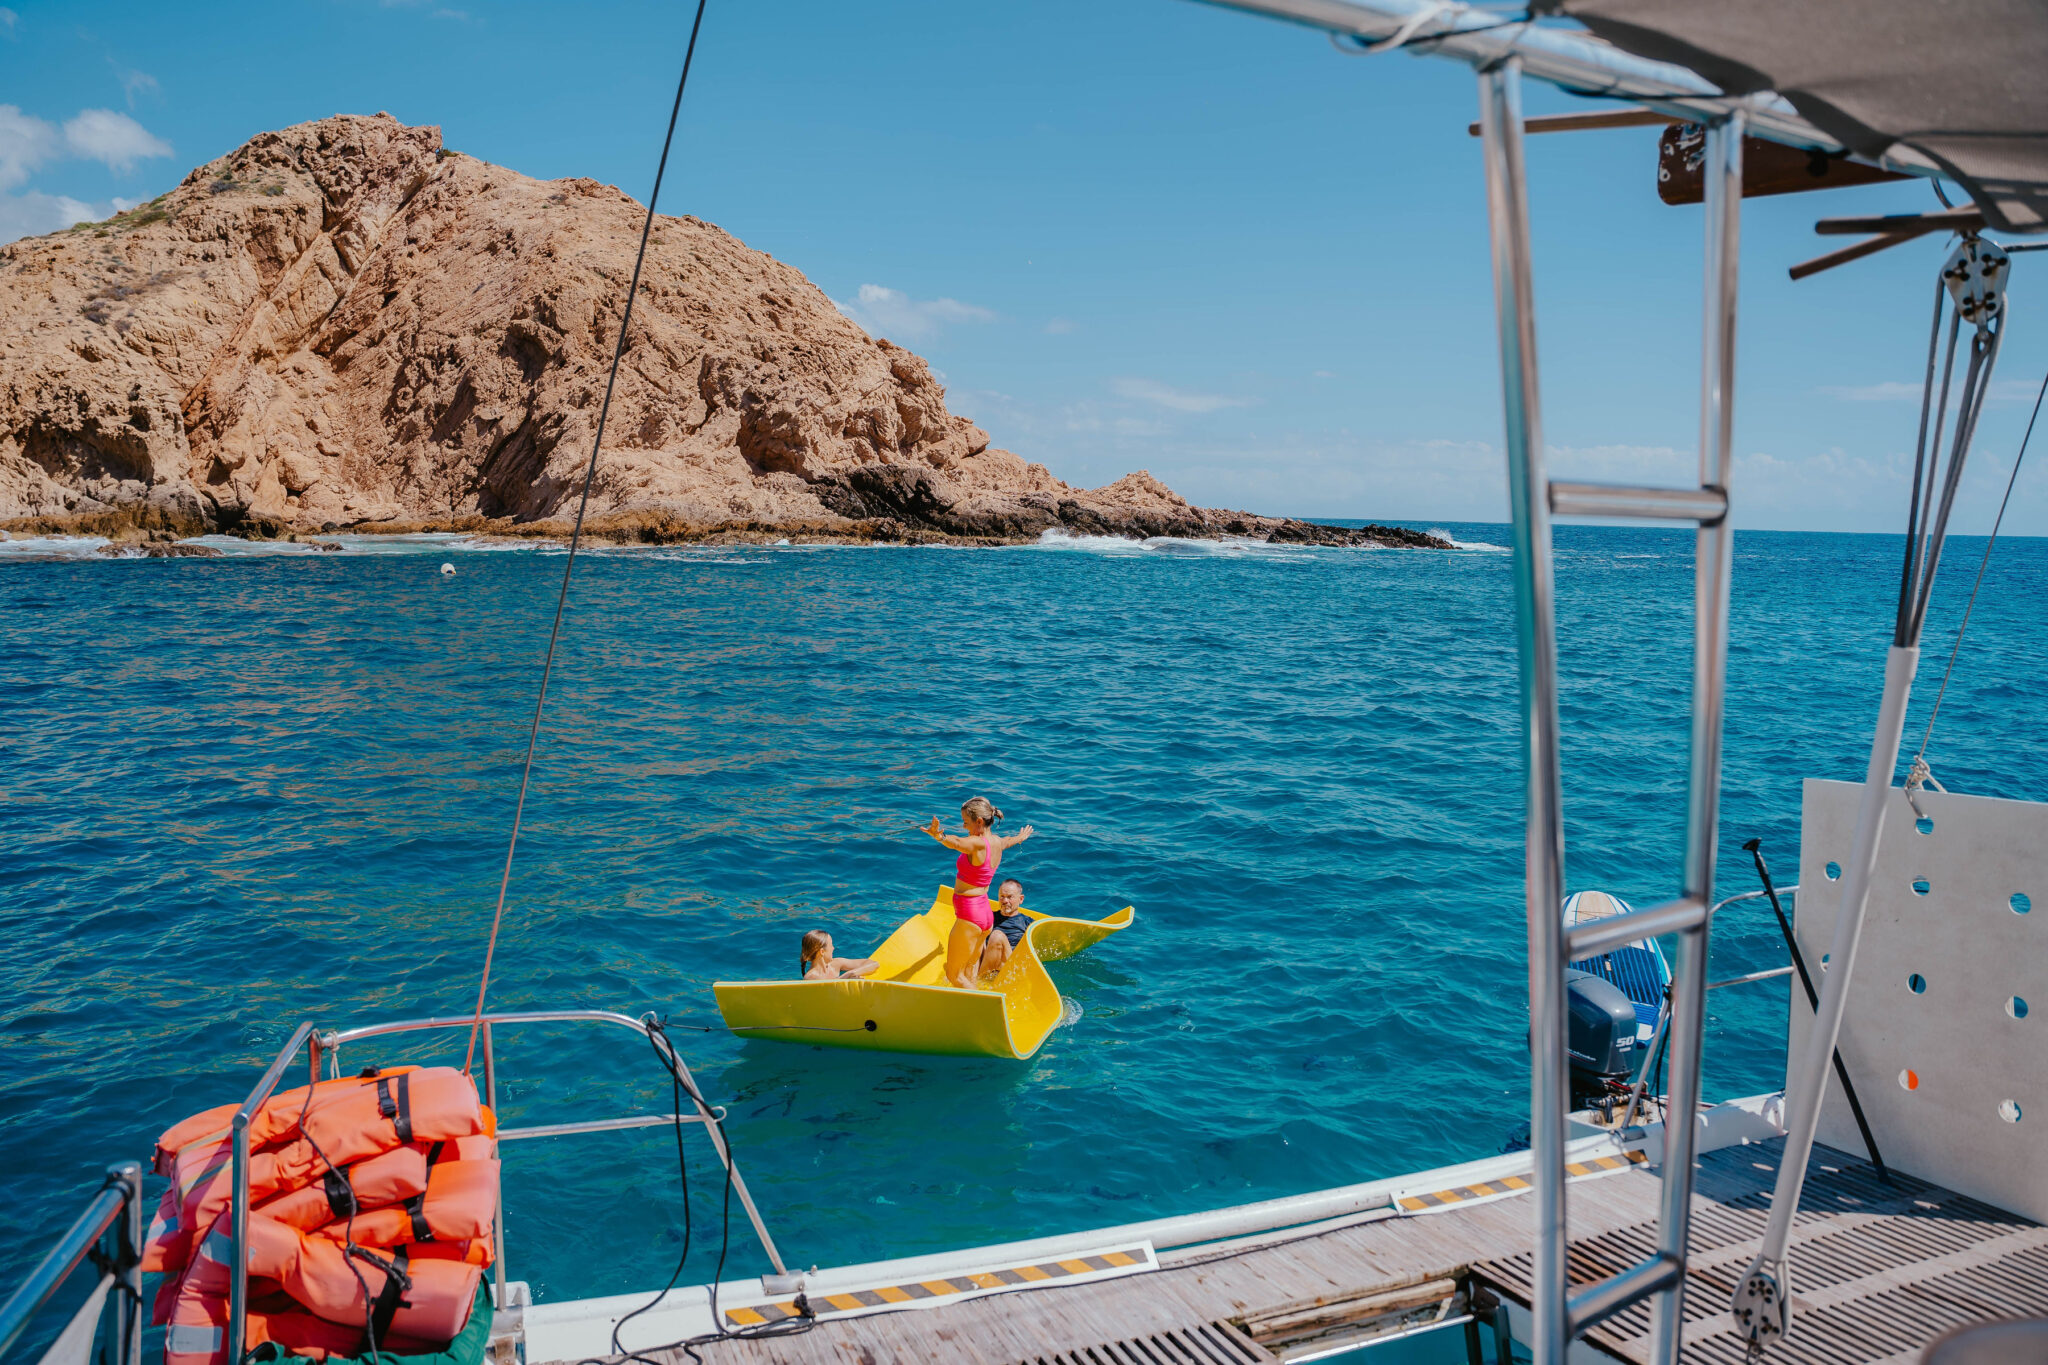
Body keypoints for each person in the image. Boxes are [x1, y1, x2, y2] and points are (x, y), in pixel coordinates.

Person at [921, 797, 1034, 988]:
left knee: (954, 974)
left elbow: (957, 843)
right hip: (985, 914)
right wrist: (1020, 838)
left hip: (970, 913)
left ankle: (985, 1008)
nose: (964, 827)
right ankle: (970, 1006)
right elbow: (1009, 841)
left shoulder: (978, 843)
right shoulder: (997, 842)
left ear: (979, 822)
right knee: (969, 970)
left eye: (966, 822)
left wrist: (939, 836)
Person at [979, 878, 1031, 978]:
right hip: (985, 963)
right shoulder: (989, 917)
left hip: (1010, 968)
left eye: (1009, 897)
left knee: (997, 936)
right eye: (1002, 897)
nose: (1005, 901)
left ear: (1021, 899)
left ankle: (981, 981)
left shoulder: (1027, 923)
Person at [799, 930, 877, 981]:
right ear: (822, 951)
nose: (833, 948)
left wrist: (851, 973)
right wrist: (843, 979)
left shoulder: (835, 964)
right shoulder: (810, 978)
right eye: (831, 945)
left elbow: (874, 964)